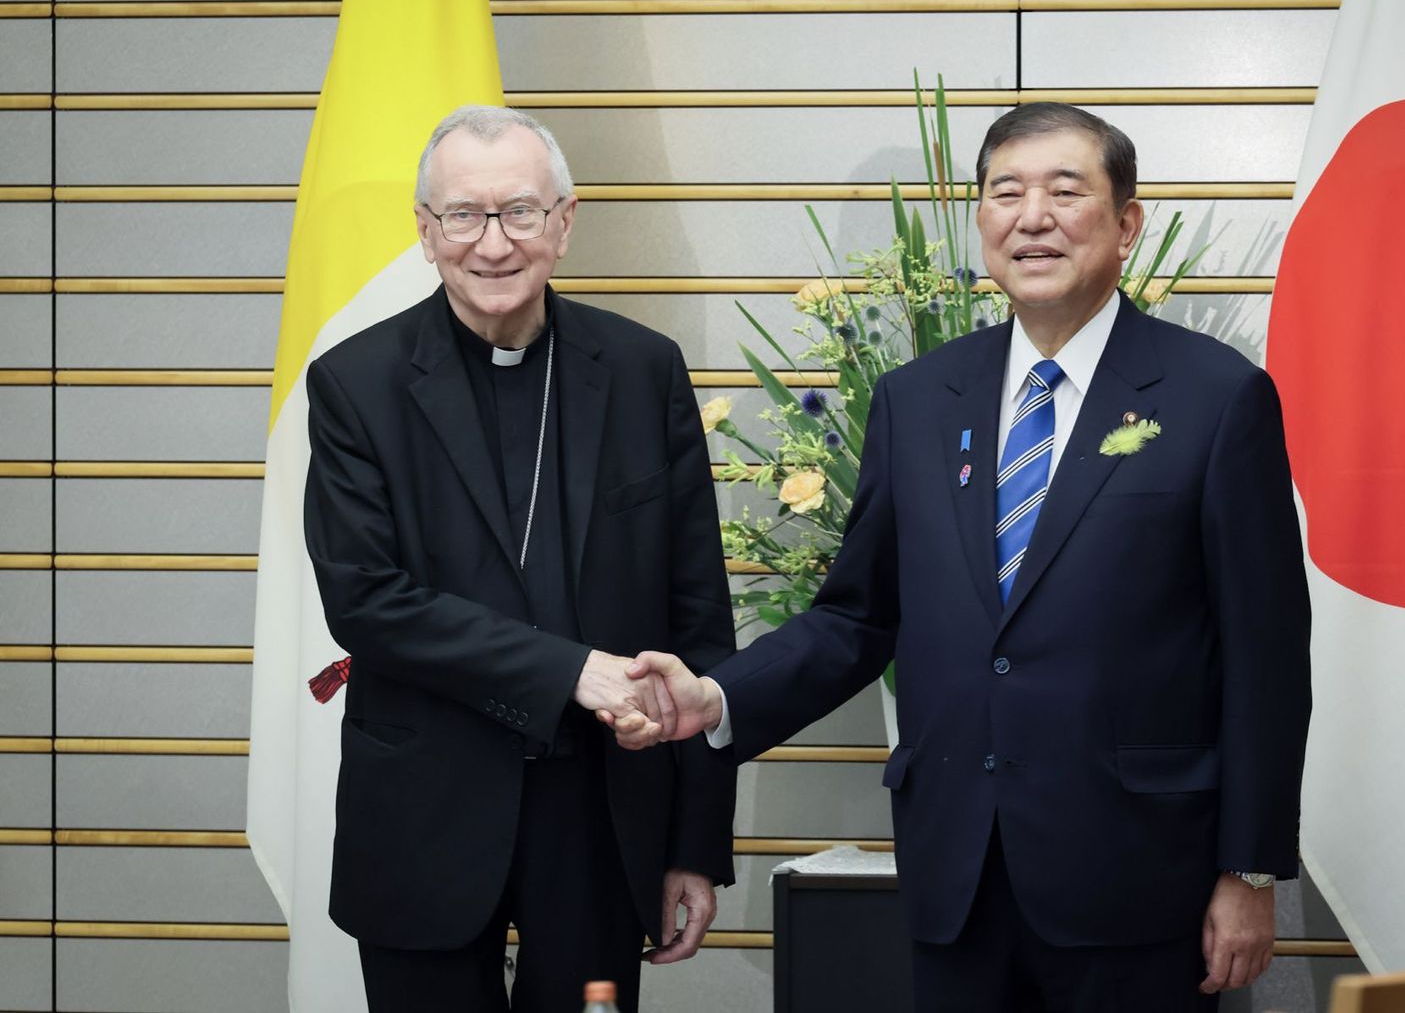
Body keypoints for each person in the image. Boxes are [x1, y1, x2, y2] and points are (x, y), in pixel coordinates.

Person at [616, 103, 1312, 1011]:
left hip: (1141, 878)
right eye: (1005, 192)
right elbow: (857, 615)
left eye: (1067, 192)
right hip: (958, 871)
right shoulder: (918, 399)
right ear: (979, 219)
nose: (1033, 217)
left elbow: (1264, 653)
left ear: (1127, 222)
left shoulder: (1217, 398)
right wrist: (718, 698)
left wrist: (1248, 871)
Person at [302, 105, 735, 1013]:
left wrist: (696, 842)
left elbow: (696, 619)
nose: (492, 244)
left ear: (565, 222)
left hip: (599, 817)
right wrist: (570, 670)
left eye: (520, 213)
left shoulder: (642, 369)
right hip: (426, 809)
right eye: (464, 215)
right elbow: (368, 601)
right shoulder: (356, 383)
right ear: (426, 233)